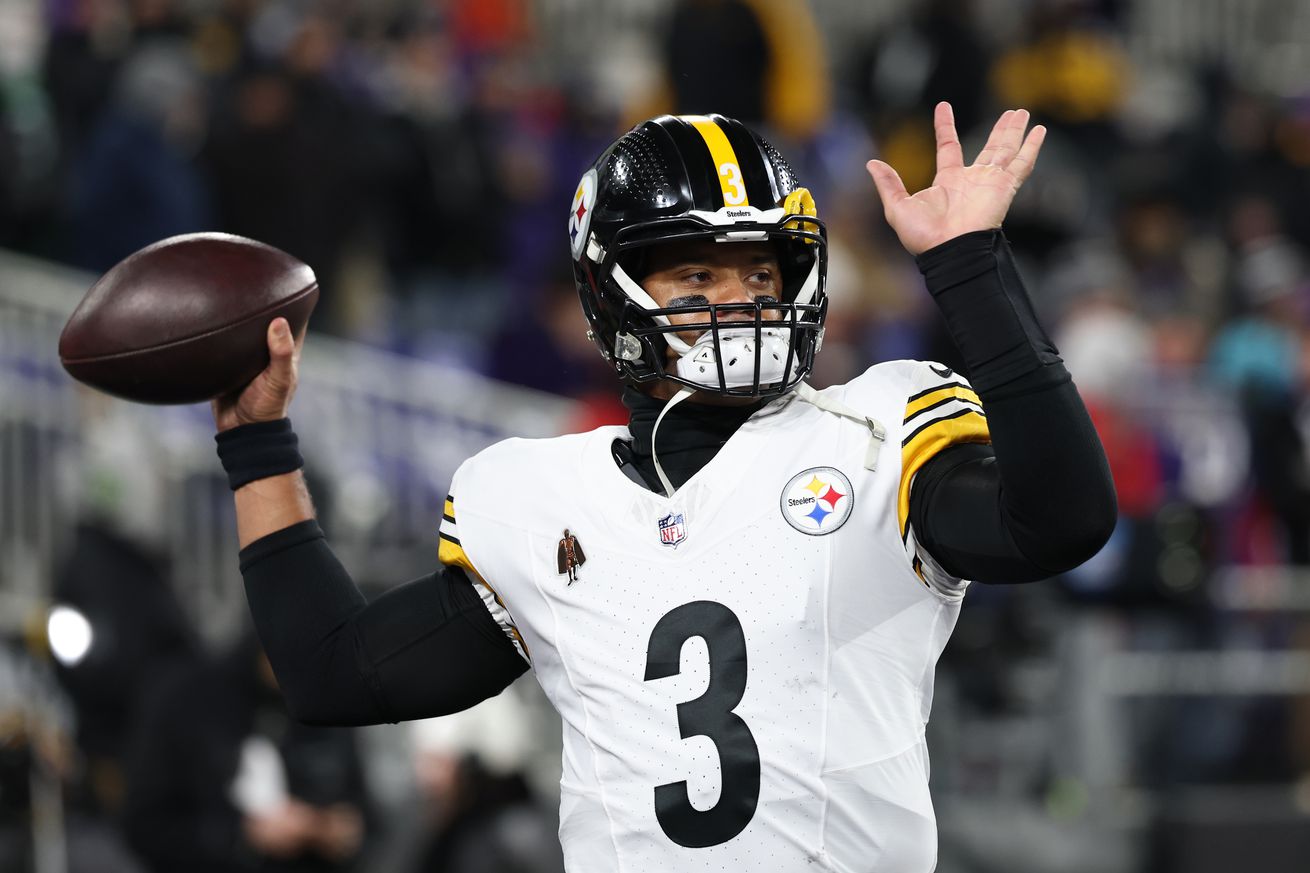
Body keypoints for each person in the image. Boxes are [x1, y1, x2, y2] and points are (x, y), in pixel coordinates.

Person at [212, 105, 1115, 872]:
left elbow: (1062, 520)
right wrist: (257, 443)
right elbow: (334, 671)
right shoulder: (543, 498)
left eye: (761, 271)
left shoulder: (875, 432)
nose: (742, 299)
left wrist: (968, 266)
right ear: (610, 295)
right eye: (697, 274)